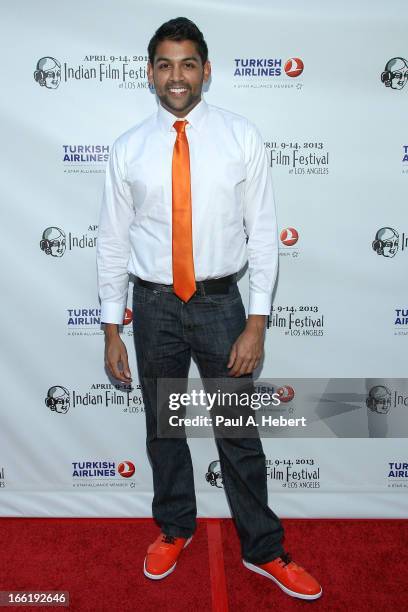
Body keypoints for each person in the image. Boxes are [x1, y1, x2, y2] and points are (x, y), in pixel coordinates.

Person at [96, 17, 322, 601]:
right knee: (163, 431)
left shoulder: (241, 136)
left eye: (188, 64)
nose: (177, 76)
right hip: (151, 306)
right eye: (166, 65)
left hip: (223, 304)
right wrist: (110, 328)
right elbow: (113, 244)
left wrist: (257, 321)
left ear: (207, 71)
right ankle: (175, 528)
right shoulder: (127, 149)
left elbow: (264, 235)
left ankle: (264, 549)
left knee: (237, 433)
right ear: (150, 74)